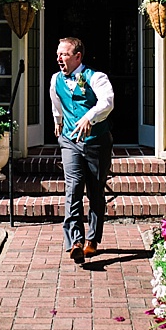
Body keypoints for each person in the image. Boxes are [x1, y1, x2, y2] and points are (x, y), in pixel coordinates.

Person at [49, 36, 114, 265]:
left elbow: (107, 101)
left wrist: (89, 117)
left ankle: (92, 240)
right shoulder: (56, 79)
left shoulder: (96, 77)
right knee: (74, 186)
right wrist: (58, 120)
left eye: (64, 54)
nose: (59, 58)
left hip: (97, 141)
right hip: (70, 140)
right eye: (58, 54)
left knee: (95, 192)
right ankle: (75, 242)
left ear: (78, 57)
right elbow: (56, 101)